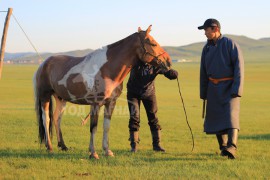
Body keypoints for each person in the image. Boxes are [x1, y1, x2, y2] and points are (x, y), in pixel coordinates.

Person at [198, 18, 244, 159]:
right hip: (213, 88)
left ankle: (232, 147)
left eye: (206, 30)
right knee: (216, 117)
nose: (205, 33)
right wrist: (204, 92)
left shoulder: (230, 44)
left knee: (231, 117)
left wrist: (237, 89)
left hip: (229, 87)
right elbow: (203, 72)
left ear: (215, 29)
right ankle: (223, 147)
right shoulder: (206, 48)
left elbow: (239, 68)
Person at [127, 60, 178, 152]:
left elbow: (168, 74)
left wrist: (172, 73)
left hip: (149, 94)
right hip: (133, 93)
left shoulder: (156, 65)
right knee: (134, 118)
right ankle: (134, 146)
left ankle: (157, 145)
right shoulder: (134, 61)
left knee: (153, 118)